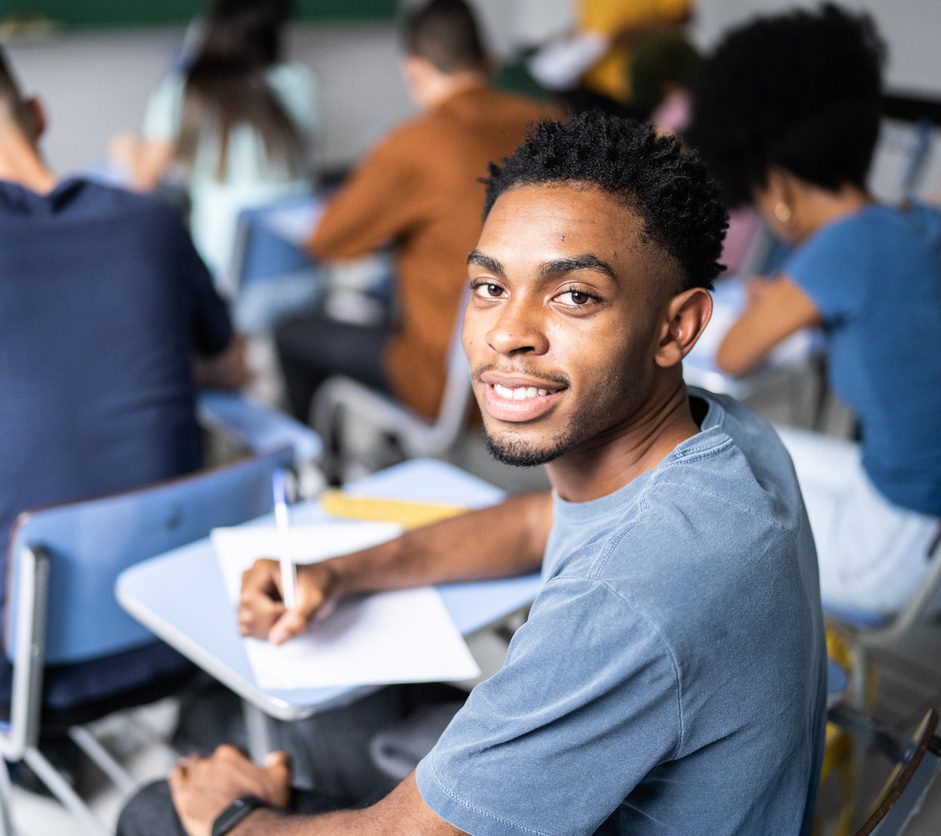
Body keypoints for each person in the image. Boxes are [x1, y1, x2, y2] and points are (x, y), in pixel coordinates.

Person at [118, 110, 826, 836]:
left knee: (157, 810)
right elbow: (533, 520)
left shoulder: (628, 598)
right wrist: (341, 573)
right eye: (489, 287)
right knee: (241, 708)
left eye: (574, 295)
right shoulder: (724, 433)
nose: (506, 332)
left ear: (677, 328)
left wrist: (231, 817)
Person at [686, 4, 941, 615]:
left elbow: (735, 354)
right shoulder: (928, 225)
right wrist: (802, 302)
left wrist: (785, 299)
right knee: (744, 445)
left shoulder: (841, 250)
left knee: (686, 473)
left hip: (894, 554)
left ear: (779, 188)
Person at [0, 48, 245, 712]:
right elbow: (232, 369)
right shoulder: (153, 219)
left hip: (31, 676)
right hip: (195, 624)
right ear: (38, 114)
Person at [274, 0, 560, 424]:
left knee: (292, 332)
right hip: (548, 359)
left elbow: (324, 240)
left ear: (413, 71)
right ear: (487, 61)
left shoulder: (415, 145)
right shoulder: (551, 122)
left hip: (453, 384)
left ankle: (321, 477)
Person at [111, 0, 320, 291]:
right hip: (299, 267)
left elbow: (141, 182)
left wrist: (129, 152)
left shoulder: (186, 91)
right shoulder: (300, 82)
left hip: (225, 273)